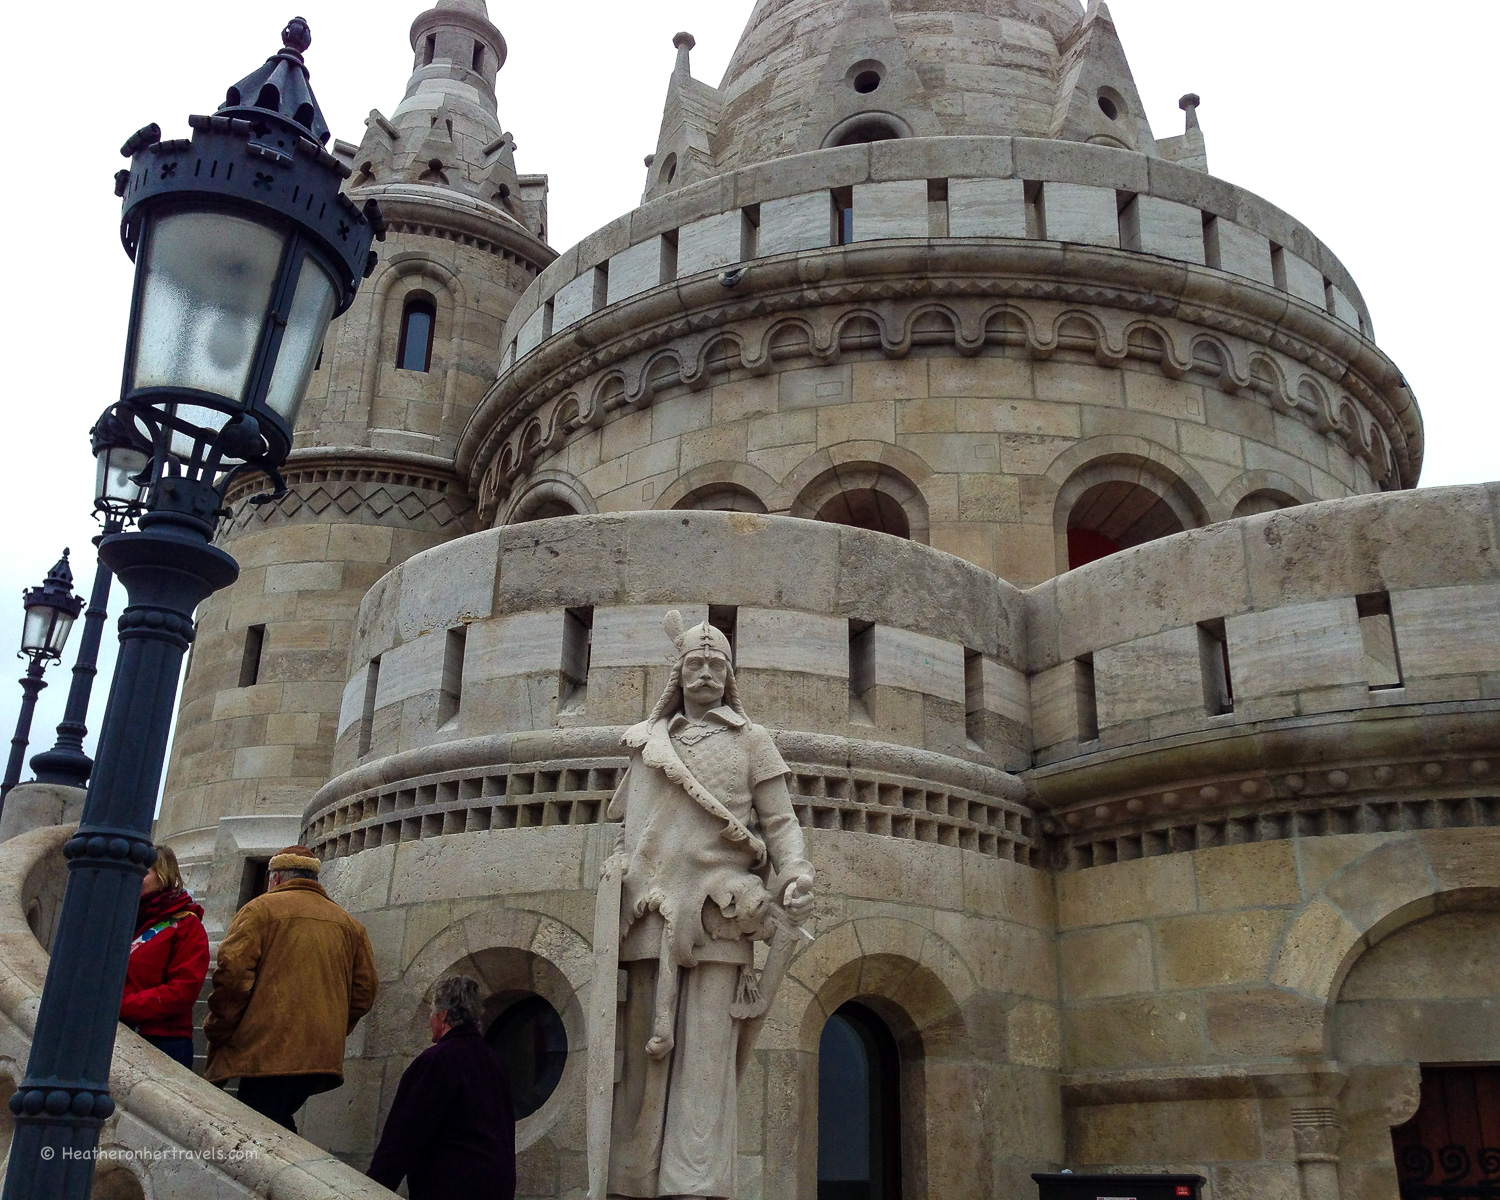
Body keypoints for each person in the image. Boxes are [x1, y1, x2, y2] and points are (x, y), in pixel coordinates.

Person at [604, 611, 815, 1199]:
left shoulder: (752, 741)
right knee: (643, 1065)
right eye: (694, 663)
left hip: (722, 914)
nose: (705, 672)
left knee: (705, 1064)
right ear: (678, 672)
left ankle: (693, 1187)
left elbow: (780, 824)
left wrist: (795, 871)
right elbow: (630, 832)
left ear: (729, 674)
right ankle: (635, 1181)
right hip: (648, 916)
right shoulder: (647, 745)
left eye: (715, 664)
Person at [204, 844, 377, 1133]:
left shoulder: (259, 911)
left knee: (258, 1130)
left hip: (266, 1049)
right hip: (319, 1054)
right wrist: (330, 1026)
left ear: (277, 878)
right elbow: (364, 994)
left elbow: (232, 978)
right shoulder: (350, 925)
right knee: (278, 1122)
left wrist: (219, 1028)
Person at [366, 975, 517, 1200]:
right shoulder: (495, 1063)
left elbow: (403, 1135)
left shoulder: (436, 1061)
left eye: (431, 1013)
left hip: (450, 1186)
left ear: (443, 1015)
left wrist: (370, 1189)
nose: (430, 1020)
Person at [120, 845, 209, 1070]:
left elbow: (182, 991)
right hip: (117, 1031)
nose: (135, 877)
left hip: (162, 1041)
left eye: (145, 872)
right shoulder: (123, 919)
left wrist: (120, 1006)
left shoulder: (187, 925)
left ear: (163, 876)